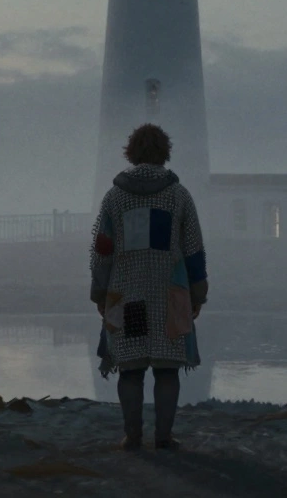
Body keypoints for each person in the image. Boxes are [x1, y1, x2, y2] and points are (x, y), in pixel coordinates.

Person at [89, 123, 207, 451]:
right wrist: (198, 292)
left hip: (128, 296)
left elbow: (102, 248)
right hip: (170, 295)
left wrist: (100, 291)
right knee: (167, 369)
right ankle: (164, 437)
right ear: (164, 152)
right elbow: (194, 248)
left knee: (132, 368)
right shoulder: (179, 195)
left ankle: (132, 436)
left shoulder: (115, 197)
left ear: (132, 152)